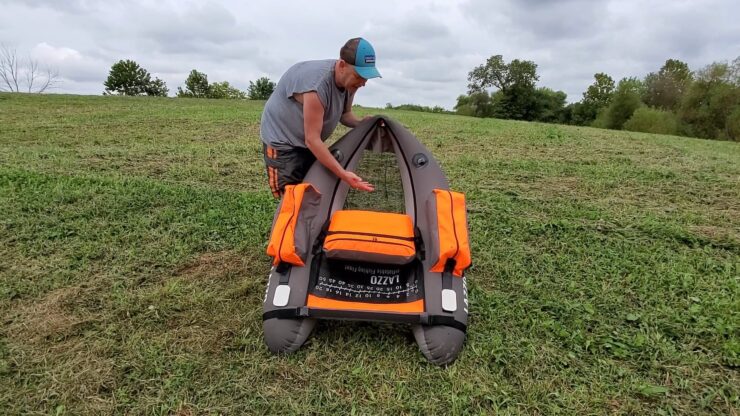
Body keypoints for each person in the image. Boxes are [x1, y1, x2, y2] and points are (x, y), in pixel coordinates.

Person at [260, 37, 381, 198]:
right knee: (291, 199)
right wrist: (343, 174)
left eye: (367, 77)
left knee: (312, 191)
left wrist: (361, 123)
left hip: (307, 143)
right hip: (283, 143)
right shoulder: (316, 86)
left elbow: (345, 115)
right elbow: (312, 140)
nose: (363, 83)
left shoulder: (349, 83)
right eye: (359, 76)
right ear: (342, 65)